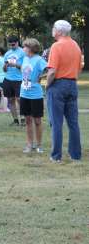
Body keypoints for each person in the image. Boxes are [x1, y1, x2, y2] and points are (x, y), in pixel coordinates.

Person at [46, 20, 83, 163]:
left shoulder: (56, 46)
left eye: (54, 27)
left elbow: (52, 71)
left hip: (58, 85)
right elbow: (79, 68)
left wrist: (48, 85)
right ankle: (75, 155)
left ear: (59, 31)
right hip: (72, 83)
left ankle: (56, 156)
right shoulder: (76, 45)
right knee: (73, 122)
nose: (52, 30)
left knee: (56, 122)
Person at [20, 38, 48, 154]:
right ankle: (29, 144)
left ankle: (39, 145)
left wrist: (40, 77)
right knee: (27, 120)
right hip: (24, 93)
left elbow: (49, 70)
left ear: (31, 48)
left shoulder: (39, 60)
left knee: (37, 121)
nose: (23, 49)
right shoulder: (25, 58)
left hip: (36, 94)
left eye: (25, 47)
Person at [3, 36, 25, 126]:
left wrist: (15, 65)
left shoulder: (23, 52)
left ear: (17, 42)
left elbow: (25, 67)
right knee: (11, 100)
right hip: (8, 79)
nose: (12, 46)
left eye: (13, 44)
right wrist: (5, 66)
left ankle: (23, 119)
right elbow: (4, 69)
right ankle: (15, 120)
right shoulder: (7, 53)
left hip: (19, 79)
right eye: (10, 45)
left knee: (20, 99)